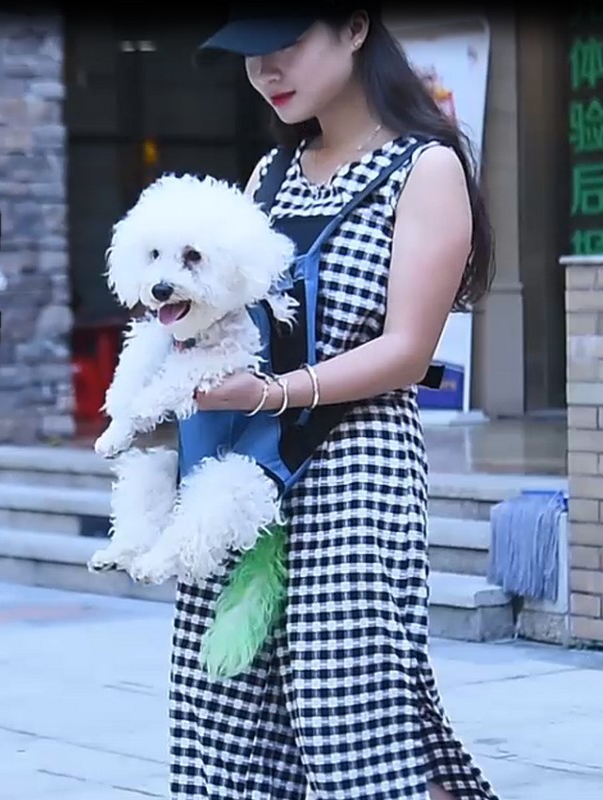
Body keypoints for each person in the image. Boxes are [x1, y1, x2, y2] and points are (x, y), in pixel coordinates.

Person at [168, 4, 500, 800]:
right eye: (251, 55)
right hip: (247, 471)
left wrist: (274, 392)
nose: (265, 71)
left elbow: (408, 349)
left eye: (285, 45)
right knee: (224, 698)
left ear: (354, 29)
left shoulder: (425, 168)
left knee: (348, 703)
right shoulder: (269, 174)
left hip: (356, 466)